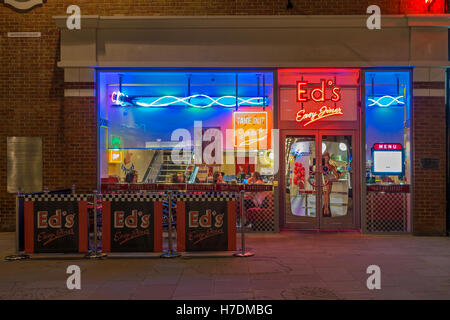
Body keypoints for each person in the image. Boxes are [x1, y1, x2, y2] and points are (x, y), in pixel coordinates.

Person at [322, 152, 339, 217]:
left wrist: (335, 178)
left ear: (329, 158)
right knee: (325, 195)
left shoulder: (331, 166)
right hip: (323, 182)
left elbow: (336, 174)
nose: (326, 159)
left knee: (327, 195)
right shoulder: (321, 166)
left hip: (328, 182)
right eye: (325, 158)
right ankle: (325, 208)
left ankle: (326, 209)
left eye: (327, 158)